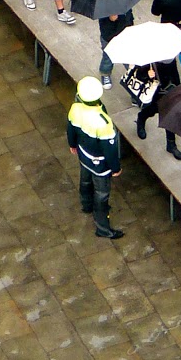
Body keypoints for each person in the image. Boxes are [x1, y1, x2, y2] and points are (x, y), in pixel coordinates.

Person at [66, 76, 124, 239]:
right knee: (102, 193)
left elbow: (70, 128)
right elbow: (110, 149)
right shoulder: (103, 122)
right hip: (100, 165)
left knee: (85, 181)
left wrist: (72, 144)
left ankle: (86, 205)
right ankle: (103, 228)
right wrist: (116, 168)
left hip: (83, 154)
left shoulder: (75, 108)